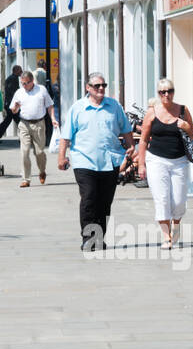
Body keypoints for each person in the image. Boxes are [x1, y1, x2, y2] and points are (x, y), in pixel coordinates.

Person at [56, 72, 135, 251]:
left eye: (103, 85)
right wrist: (61, 157)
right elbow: (66, 135)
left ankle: (99, 238)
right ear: (88, 88)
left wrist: (131, 146)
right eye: (97, 86)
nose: (101, 89)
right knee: (89, 197)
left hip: (110, 160)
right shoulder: (78, 108)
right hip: (84, 161)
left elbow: (125, 128)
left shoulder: (114, 106)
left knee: (105, 202)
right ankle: (88, 238)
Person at [134, 78, 193, 249]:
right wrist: (141, 164)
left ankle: (176, 225)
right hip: (157, 160)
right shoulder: (152, 112)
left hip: (180, 161)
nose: (166, 95)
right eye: (163, 92)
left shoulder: (183, 110)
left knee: (179, 201)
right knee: (161, 199)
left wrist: (186, 127)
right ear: (158, 94)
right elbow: (143, 140)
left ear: (174, 92)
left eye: (170, 91)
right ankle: (166, 236)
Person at [11, 71, 57, 188]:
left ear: (32, 81)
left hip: (39, 124)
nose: (24, 86)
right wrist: (15, 108)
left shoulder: (41, 90)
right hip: (24, 124)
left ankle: (42, 171)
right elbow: (14, 110)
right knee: (24, 152)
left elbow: (50, 105)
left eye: (26, 83)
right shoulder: (19, 92)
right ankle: (26, 179)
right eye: (22, 83)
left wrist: (53, 118)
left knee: (39, 152)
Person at [0, 65, 23, 143]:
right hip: (11, 105)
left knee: (9, 121)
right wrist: (16, 103)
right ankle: (23, 137)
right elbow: (13, 93)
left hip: (10, 104)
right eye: (20, 70)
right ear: (16, 71)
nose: (21, 72)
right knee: (19, 121)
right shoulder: (13, 79)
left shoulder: (13, 78)